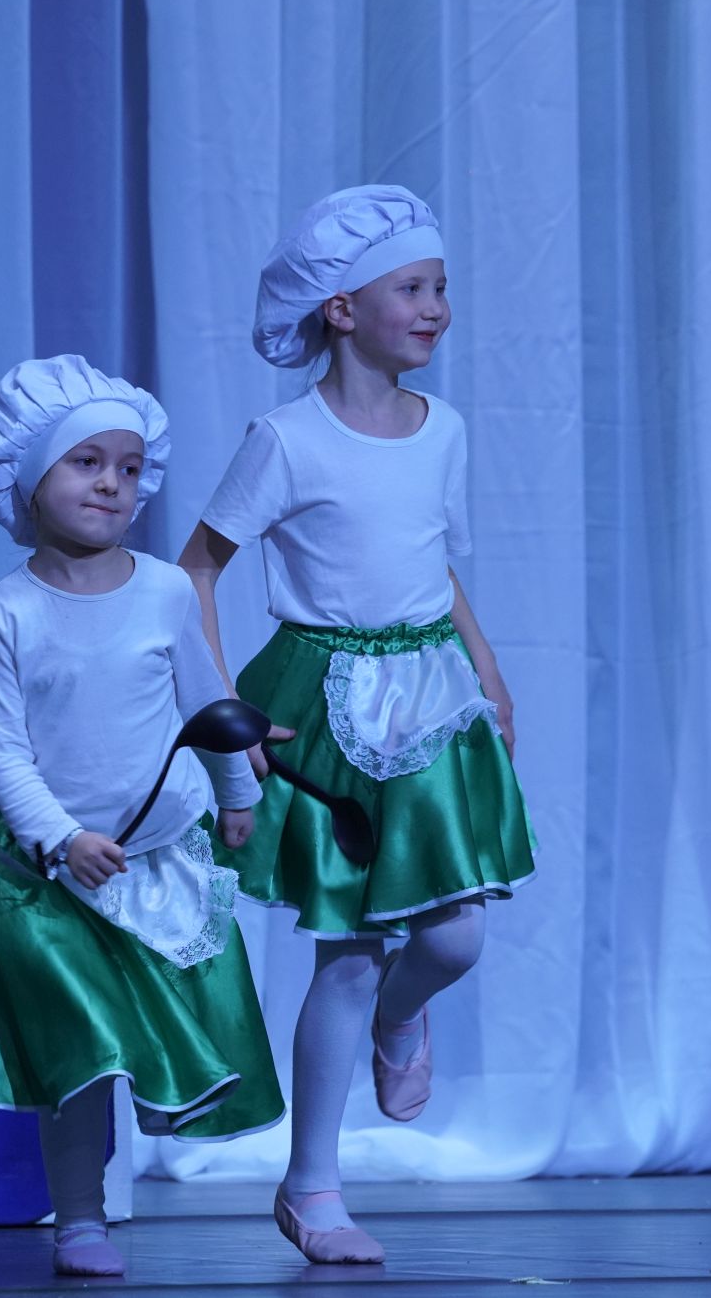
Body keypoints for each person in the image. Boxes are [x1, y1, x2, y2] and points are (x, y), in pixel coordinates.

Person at [179, 185, 535, 1266]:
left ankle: (398, 1014)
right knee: (347, 949)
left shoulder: (444, 429)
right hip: (321, 696)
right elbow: (196, 568)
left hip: (428, 694)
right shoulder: (286, 439)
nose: (434, 307)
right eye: (412, 287)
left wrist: (484, 666)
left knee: (454, 933)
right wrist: (221, 707)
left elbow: (433, 563)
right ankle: (312, 1186)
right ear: (340, 309)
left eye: (440, 288)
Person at [0, 355, 283, 1279]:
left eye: (129, 468)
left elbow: (206, 700)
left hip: (153, 859)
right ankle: (79, 1217)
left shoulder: (164, 591)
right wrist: (60, 837)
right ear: (29, 480)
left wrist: (236, 793)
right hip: (46, 876)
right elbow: (4, 750)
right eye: (87, 462)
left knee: (138, 1041)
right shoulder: (7, 612)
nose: (112, 483)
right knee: (84, 1050)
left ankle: (98, 1201)